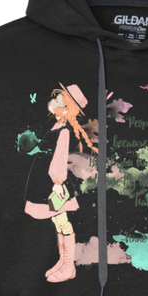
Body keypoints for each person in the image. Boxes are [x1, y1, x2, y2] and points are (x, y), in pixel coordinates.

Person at [24, 83, 97, 282]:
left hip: (54, 183)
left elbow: (59, 158)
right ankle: (64, 262)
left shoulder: (64, 131)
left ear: (66, 108)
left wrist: (57, 182)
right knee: (59, 221)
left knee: (62, 220)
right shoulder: (56, 126)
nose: (54, 100)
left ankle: (68, 265)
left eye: (59, 99)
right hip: (48, 180)